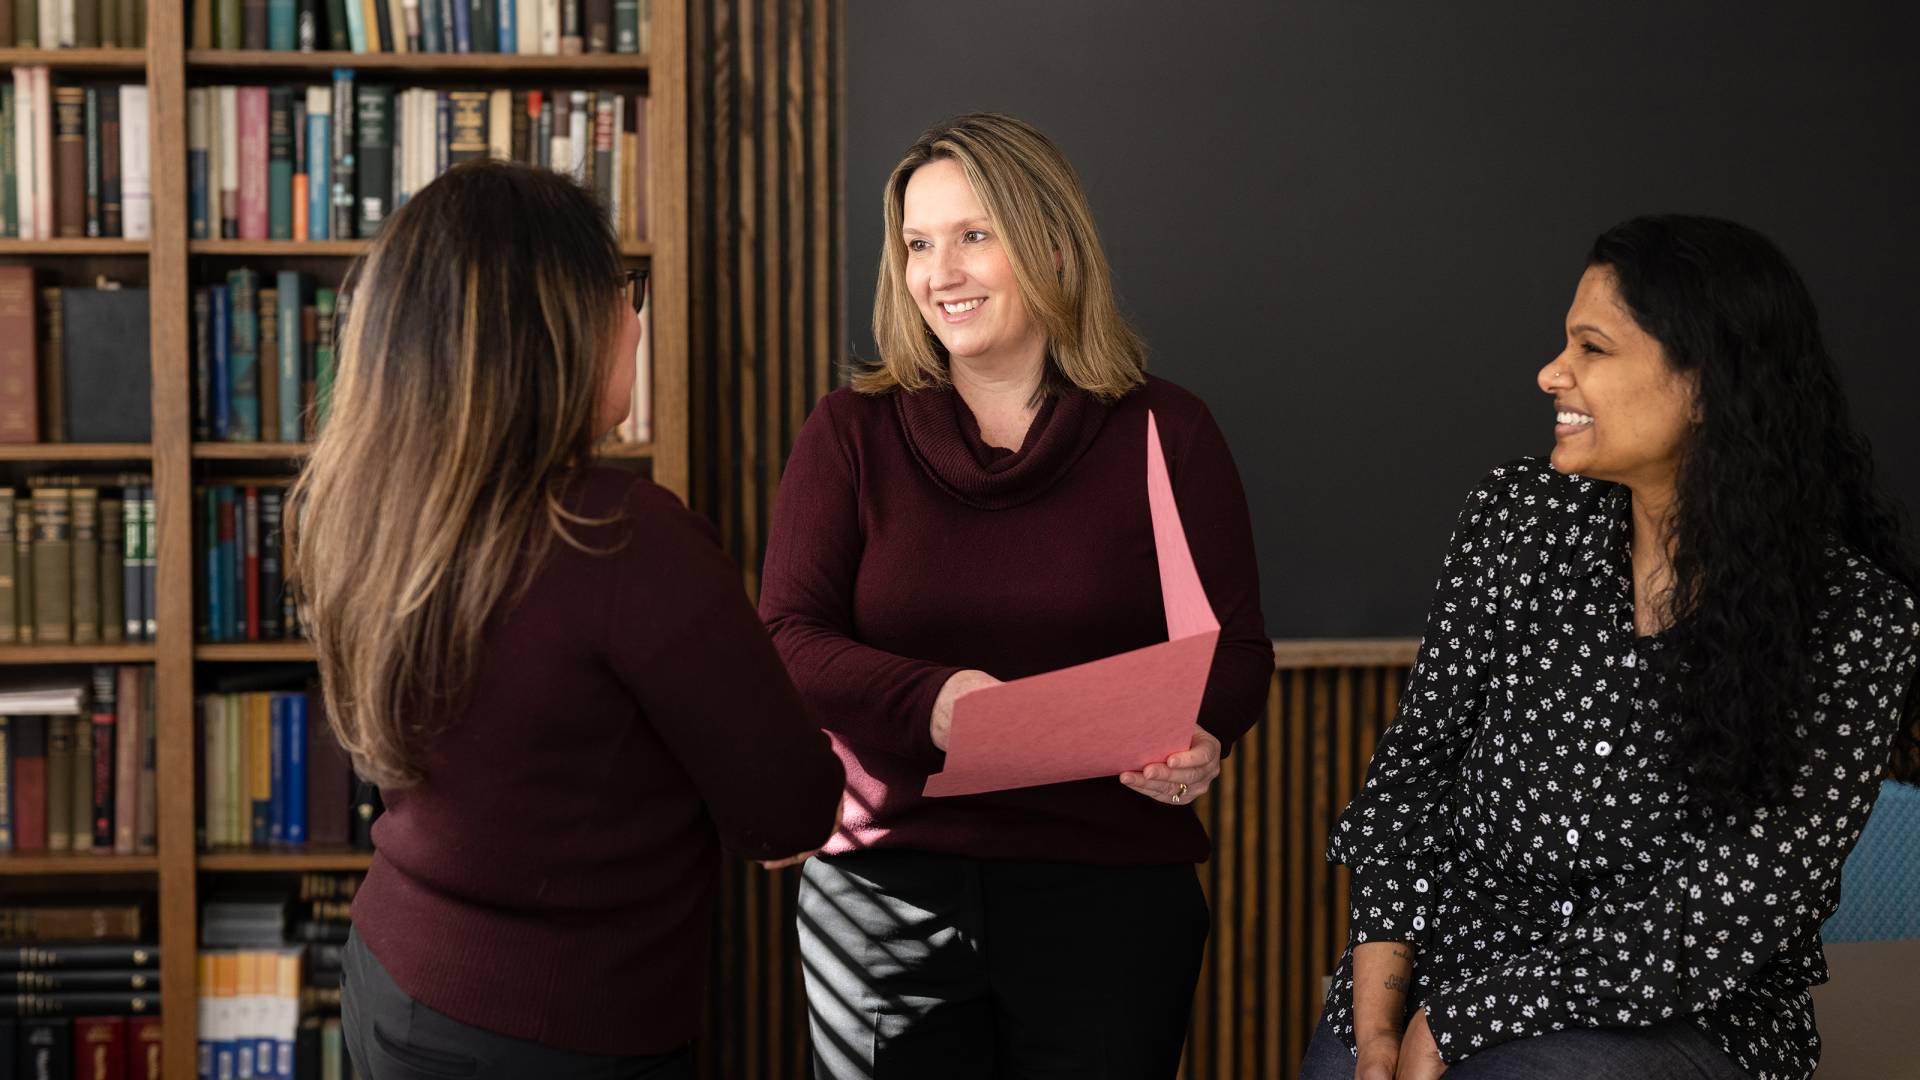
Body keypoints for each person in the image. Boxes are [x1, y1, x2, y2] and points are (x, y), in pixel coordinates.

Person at [1301, 214, 1920, 1080]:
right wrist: (1372, 1036)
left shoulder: (1854, 620)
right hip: (1449, 971)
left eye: (1592, 348)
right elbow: (1412, 783)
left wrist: (1459, 1022)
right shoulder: (1515, 520)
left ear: (1709, 381)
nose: (1552, 373)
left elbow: (1728, 910)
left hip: (1684, 1015)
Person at [289, 159, 844, 1079]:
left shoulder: (362, 510)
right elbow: (790, 810)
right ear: (550, 330)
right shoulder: (622, 535)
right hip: (557, 1028)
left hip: (389, 975)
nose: (634, 321)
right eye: (619, 292)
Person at [758, 112, 1274, 1077]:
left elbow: (1237, 653)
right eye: (918, 244)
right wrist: (936, 703)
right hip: (885, 899)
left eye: (973, 236)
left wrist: (1202, 736)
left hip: (1109, 895)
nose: (939, 272)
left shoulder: (1168, 429)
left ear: (1049, 243)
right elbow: (787, 638)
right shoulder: (849, 432)